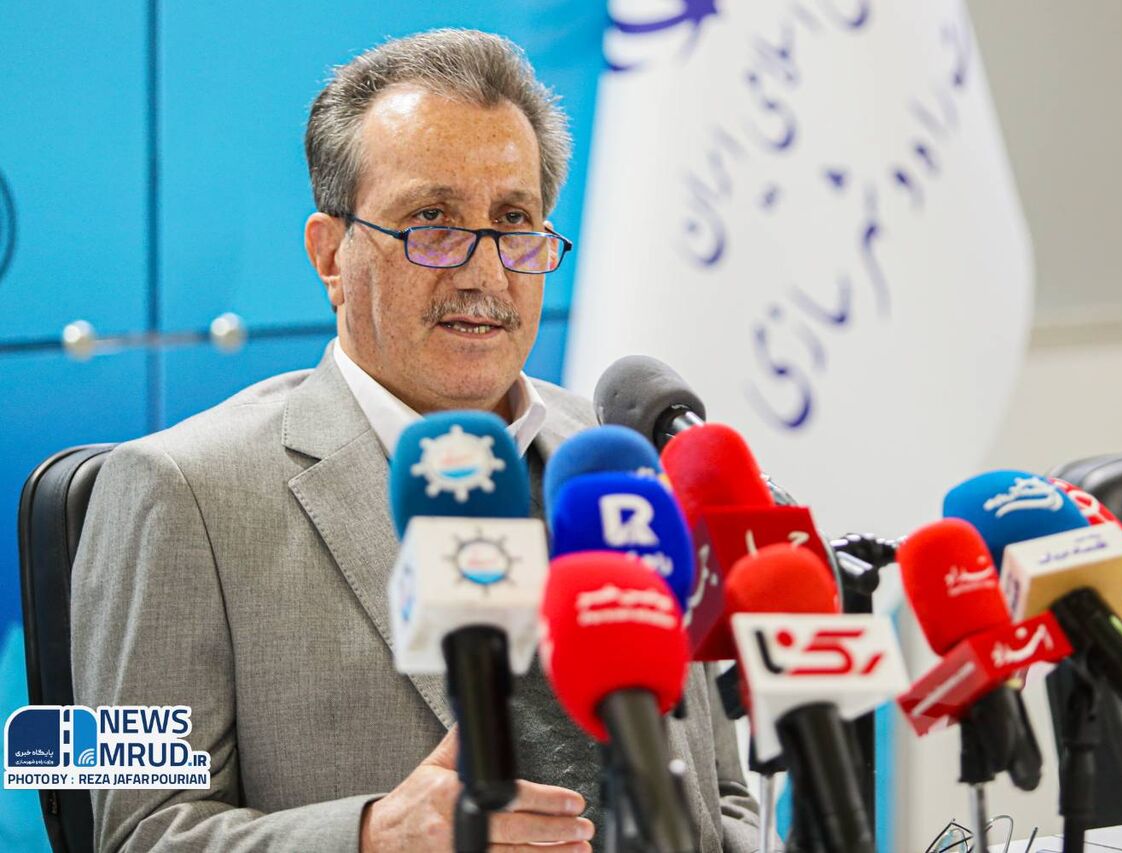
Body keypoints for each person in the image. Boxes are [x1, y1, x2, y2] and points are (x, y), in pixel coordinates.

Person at [71, 29, 761, 853]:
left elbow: (722, 794)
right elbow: (138, 831)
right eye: (432, 222)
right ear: (330, 254)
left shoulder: (625, 467)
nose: (485, 273)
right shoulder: (179, 491)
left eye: (514, 222)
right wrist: (372, 836)